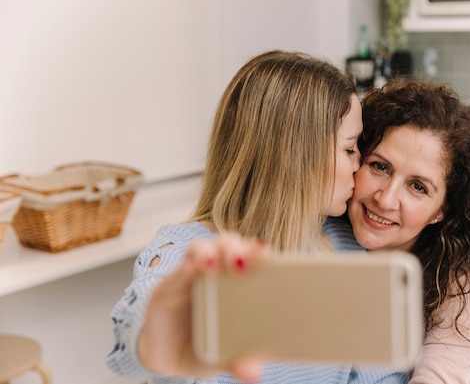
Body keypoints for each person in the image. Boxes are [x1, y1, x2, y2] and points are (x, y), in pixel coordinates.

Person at [105, 50, 409, 384]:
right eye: (350, 148)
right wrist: (159, 335)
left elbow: (380, 375)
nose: (358, 164)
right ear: (297, 156)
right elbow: (137, 334)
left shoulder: (345, 243)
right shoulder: (188, 254)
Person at [326, 79, 470, 384]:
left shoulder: (462, 280)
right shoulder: (321, 227)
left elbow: (441, 375)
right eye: (380, 167)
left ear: (442, 209)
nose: (385, 199)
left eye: (417, 187)